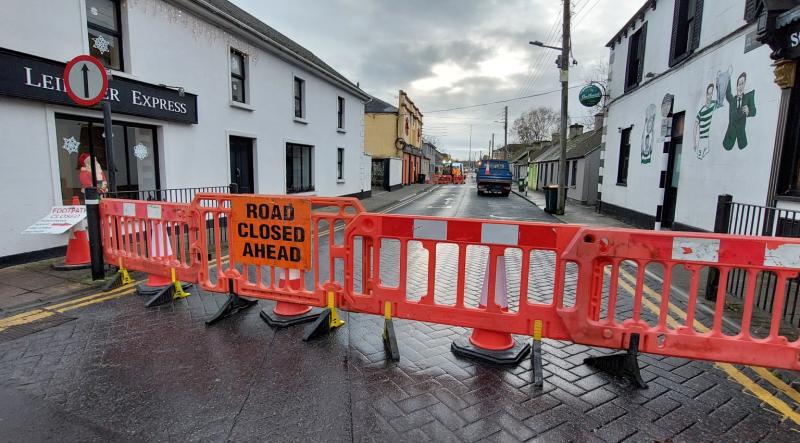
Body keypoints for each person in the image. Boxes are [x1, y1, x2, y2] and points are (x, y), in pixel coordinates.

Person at [723, 72, 756, 150]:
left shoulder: (747, 98)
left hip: (741, 137)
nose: (741, 86)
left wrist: (748, 112)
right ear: (737, 85)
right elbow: (728, 93)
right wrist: (728, 77)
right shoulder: (732, 100)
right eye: (739, 84)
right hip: (730, 136)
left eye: (743, 84)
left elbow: (754, 111)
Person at [694, 83, 716, 159]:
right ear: (706, 94)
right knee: (700, 158)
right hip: (702, 139)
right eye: (708, 94)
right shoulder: (701, 111)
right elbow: (695, 127)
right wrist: (695, 142)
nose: (710, 96)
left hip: (708, 139)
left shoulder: (714, 104)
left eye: (711, 93)